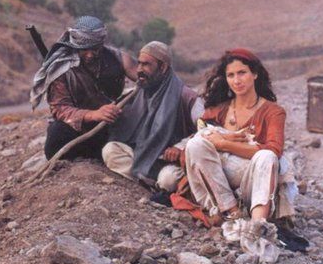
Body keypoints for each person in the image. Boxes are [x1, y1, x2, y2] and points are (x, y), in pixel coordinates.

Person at [183, 48, 295, 224]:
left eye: (242, 73)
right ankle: (232, 212)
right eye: (231, 75)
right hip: (218, 182)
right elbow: (197, 141)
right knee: (196, 143)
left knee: (267, 156)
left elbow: (274, 150)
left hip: (254, 180)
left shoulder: (273, 111)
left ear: (255, 74)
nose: (236, 81)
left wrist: (223, 144)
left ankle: (257, 226)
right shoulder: (219, 109)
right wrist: (227, 138)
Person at [30, 16, 140, 160]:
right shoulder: (62, 68)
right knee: (56, 136)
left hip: (112, 124)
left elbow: (145, 78)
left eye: (94, 49)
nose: (89, 55)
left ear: (101, 44)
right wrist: (94, 114)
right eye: (83, 50)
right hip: (80, 129)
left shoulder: (118, 58)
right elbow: (60, 109)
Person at [102, 41, 203, 191]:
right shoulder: (139, 92)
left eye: (146, 65)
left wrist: (180, 147)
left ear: (163, 67)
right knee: (110, 150)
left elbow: (207, 130)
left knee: (168, 180)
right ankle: (145, 186)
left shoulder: (187, 97)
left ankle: (154, 186)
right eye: (139, 63)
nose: (139, 70)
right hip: (142, 155)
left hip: (169, 162)